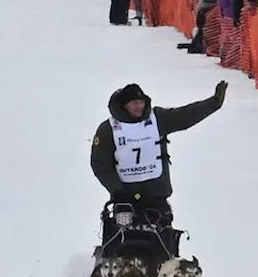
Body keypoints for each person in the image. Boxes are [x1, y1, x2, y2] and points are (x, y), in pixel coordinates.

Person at [90, 82, 228, 222]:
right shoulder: (108, 129)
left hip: (156, 196)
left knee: (163, 239)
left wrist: (213, 103)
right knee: (120, 238)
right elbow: (100, 164)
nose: (139, 106)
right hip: (125, 198)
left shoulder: (158, 119)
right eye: (134, 103)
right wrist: (117, 190)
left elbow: (185, 115)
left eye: (141, 102)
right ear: (124, 105)